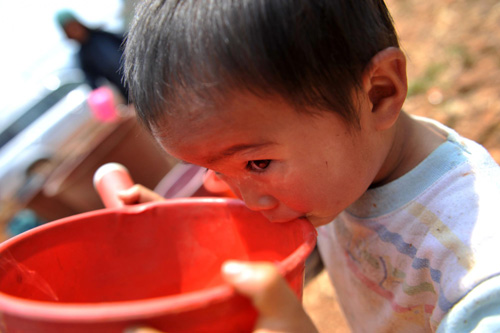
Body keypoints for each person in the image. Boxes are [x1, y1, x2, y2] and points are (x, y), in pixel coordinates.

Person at [120, 0, 500, 331]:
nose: (251, 202)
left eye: (258, 163)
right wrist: (196, 245)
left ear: (378, 93)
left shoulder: (480, 273)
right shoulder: (344, 173)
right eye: (215, 171)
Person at [55, 10, 129, 102]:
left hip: (141, 74)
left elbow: (128, 42)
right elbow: (94, 86)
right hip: (127, 90)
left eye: (74, 26)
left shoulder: (103, 35)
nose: (75, 31)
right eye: (70, 29)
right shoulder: (84, 57)